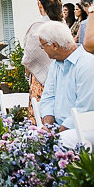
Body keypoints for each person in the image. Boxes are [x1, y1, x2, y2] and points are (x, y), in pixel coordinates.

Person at [38, 20, 94, 148]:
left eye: (42, 46)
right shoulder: (55, 65)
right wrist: (48, 127)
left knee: (60, 142)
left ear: (54, 45)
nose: (42, 49)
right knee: (28, 138)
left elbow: (84, 108)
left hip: (86, 127)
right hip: (60, 128)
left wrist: (57, 132)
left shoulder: (87, 64)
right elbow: (48, 97)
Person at [22, 0, 62, 124]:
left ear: (40, 4)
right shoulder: (61, 24)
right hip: (60, 77)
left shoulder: (38, 25)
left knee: (40, 118)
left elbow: (29, 56)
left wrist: (27, 72)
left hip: (40, 81)